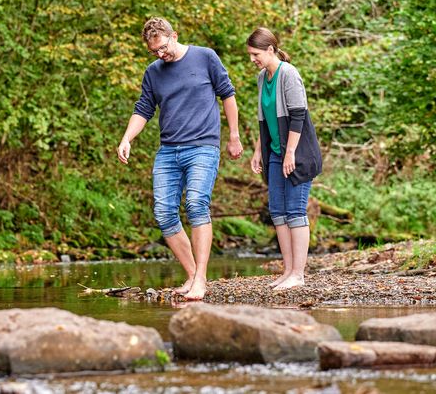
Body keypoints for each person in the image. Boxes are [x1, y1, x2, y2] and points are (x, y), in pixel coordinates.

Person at [117, 17, 243, 300]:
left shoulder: (205, 57)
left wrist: (234, 136)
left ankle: (200, 280)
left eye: (163, 47)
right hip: (169, 150)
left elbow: (228, 94)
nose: (161, 55)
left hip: (203, 146)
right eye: (154, 52)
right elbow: (143, 109)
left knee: (197, 204)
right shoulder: (153, 72)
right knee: (163, 212)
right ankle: (192, 274)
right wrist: (127, 138)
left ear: (174, 35)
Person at [246, 27, 322, 290]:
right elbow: (265, 120)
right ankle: (288, 271)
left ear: (270, 49)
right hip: (275, 153)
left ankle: (298, 275)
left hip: (298, 153)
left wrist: (290, 152)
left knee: (295, 211)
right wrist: (258, 151)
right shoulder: (261, 78)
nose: (252, 59)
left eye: (255, 53)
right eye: (250, 54)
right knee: (278, 212)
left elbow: (298, 115)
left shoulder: (288, 74)